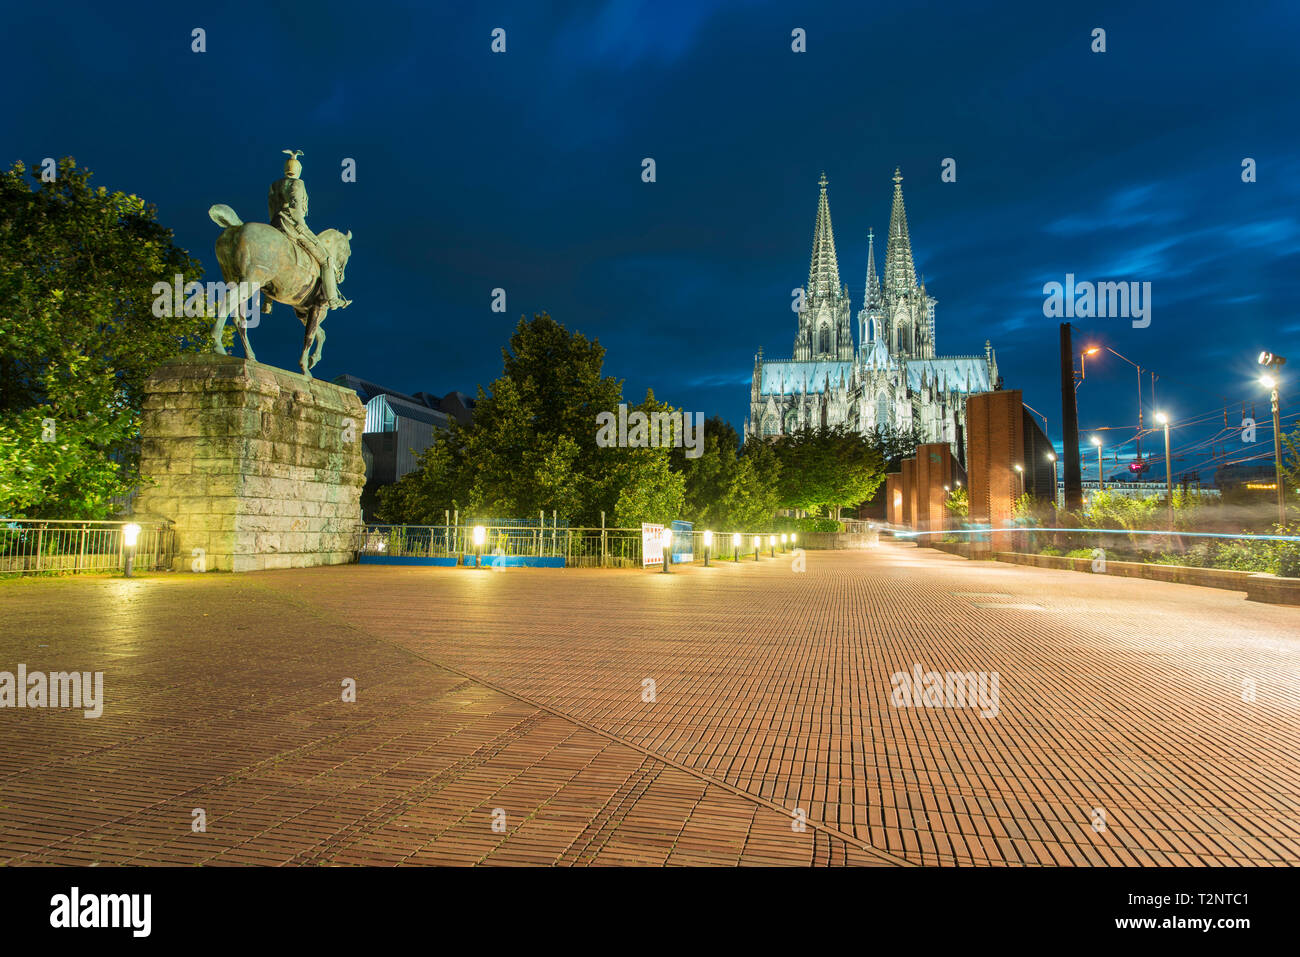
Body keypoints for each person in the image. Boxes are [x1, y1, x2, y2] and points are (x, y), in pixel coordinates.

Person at [267, 149, 349, 309]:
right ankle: (332, 299)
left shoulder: (275, 185)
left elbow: (271, 208)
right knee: (327, 260)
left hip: (275, 224)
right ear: (298, 170)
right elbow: (297, 208)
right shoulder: (297, 184)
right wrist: (299, 225)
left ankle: (267, 300)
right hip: (294, 226)